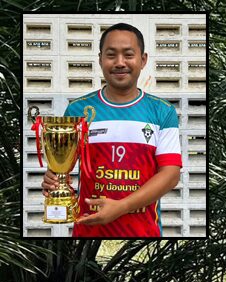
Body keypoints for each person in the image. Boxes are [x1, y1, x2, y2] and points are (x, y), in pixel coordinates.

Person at [41, 22, 182, 238]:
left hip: (142, 235)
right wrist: (53, 179)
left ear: (143, 60)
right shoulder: (78, 110)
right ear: (100, 59)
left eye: (128, 54)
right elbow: (63, 167)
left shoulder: (163, 112)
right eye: (111, 55)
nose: (119, 63)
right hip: (88, 232)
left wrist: (121, 206)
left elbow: (170, 175)